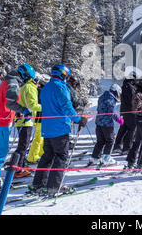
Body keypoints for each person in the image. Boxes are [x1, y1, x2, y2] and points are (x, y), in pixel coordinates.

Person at [31, 64, 86, 196]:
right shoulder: (61, 87)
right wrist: (79, 119)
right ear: (63, 75)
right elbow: (66, 107)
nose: (67, 79)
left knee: (47, 156)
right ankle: (54, 187)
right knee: (61, 157)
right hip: (59, 129)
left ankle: (38, 184)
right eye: (66, 76)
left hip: (47, 128)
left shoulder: (46, 88)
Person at [12, 64, 42, 179]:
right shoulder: (29, 87)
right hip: (26, 121)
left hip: (22, 120)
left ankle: (20, 165)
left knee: (23, 144)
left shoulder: (23, 87)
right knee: (23, 145)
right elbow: (32, 105)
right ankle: (18, 169)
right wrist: (46, 106)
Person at [88, 84, 124, 166]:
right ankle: (106, 157)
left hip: (99, 122)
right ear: (115, 92)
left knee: (100, 141)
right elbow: (111, 112)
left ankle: (95, 157)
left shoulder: (102, 96)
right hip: (107, 124)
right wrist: (119, 119)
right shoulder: (110, 99)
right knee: (110, 140)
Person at [27, 75, 49, 164]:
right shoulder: (40, 91)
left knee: (42, 137)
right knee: (38, 137)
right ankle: (32, 157)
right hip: (40, 117)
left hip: (42, 117)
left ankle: (40, 154)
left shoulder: (41, 90)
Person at [113, 74, 137, 155]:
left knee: (123, 128)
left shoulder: (124, 86)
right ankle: (127, 147)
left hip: (124, 111)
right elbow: (133, 99)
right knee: (132, 129)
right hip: (130, 111)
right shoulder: (130, 87)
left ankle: (117, 145)